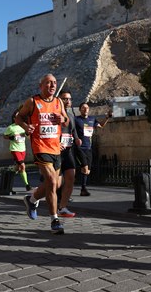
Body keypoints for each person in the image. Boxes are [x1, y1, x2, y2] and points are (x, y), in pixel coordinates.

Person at [16, 74, 68, 235]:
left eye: (54, 83)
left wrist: (62, 119)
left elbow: (66, 120)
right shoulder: (32, 101)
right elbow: (18, 117)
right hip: (40, 147)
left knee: (54, 183)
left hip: (56, 148)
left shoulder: (58, 102)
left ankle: (31, 200)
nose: (52, 85)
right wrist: (26, 127)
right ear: (41, 86)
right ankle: (54, 220)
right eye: (48, 83)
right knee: (51, 181)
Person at [57, 90, 87, 218]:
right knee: (56, 183)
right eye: (64, 99)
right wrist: (55, 143)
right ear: (59, 100)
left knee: (70, 178)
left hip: (68, 150)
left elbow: (72, 130)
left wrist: (77, 138)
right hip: (56, 151)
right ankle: (34, 197)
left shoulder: (71, 114)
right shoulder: (54, 113)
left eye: (69, 99)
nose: (68, 101)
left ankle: (62, 208)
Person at [74, 102, 111, 196]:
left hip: (88, 148)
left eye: (87, 108)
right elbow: (70, 129)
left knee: (87, 171)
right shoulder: (76, 119)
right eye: (83, 108)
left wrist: (107, 117)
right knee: (85, 168)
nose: (85, 109)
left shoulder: (92, 119)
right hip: (79, 148)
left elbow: (101, 125)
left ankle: (81, 186)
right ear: (80, 110)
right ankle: (83, 189)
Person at [3, 110, 31, 191]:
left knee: (18, 167)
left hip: (22, 149)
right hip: (14, 149)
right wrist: (11, 137)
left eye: (20, 117)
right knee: (22, 166)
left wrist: (27, 133)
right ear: (14, 118)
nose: (19, 118)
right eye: (17, 117)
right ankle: (27, 185)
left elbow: (28, 137)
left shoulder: (24, 126)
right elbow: (4, 136)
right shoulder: (11, 127)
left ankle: (9, 174)